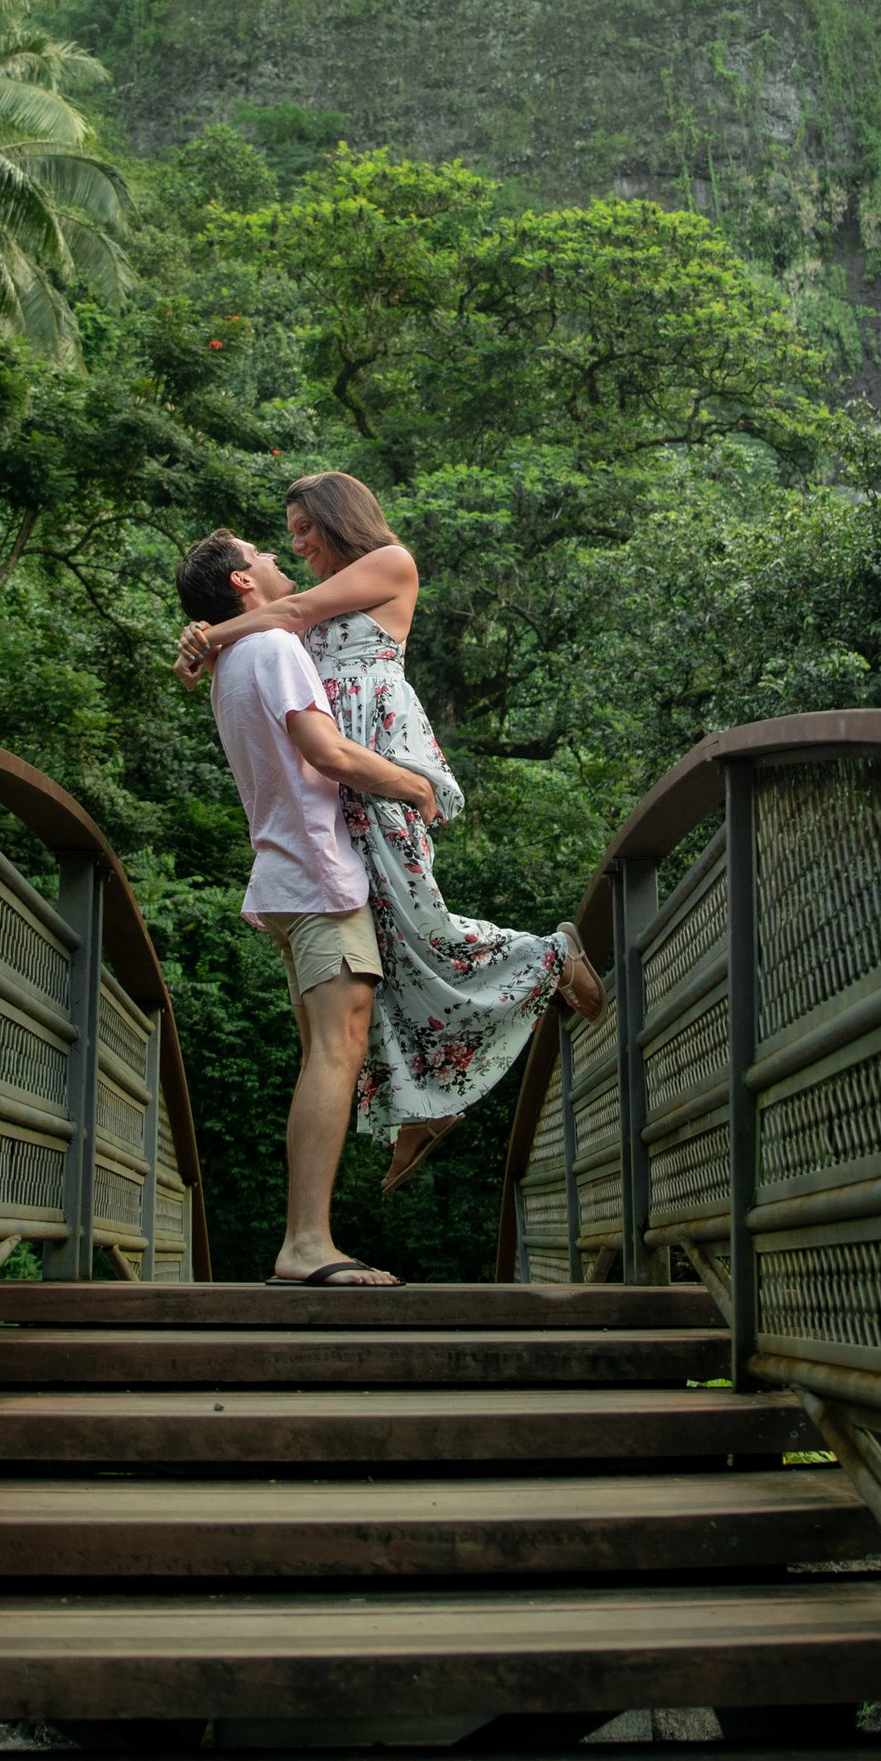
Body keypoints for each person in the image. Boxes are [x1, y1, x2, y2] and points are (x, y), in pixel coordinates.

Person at [177, 473, 605, 1196]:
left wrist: (203, 637)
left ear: (337, 517)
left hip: (378, 758)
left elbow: (289, 612)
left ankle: (551, 958)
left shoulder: (389, 564)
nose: (296, 543)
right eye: (289, 534)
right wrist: (205, 646)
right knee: (387, 949)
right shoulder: (290, 615)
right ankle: (425, 1106)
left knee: (419, 924)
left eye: (304, 528)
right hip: (341, 783)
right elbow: (270, 635)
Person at [175, 527, 444, 1285]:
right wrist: (413, 784)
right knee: (334, 1049)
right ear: (242, 581)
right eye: (261, 552)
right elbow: (327, 753)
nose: (275, 556)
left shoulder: (234, 660)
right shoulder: (272, 648)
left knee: (328, 1049)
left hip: (286, 879)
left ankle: (319, 1227)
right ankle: (305, 1246)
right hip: (319, 877)